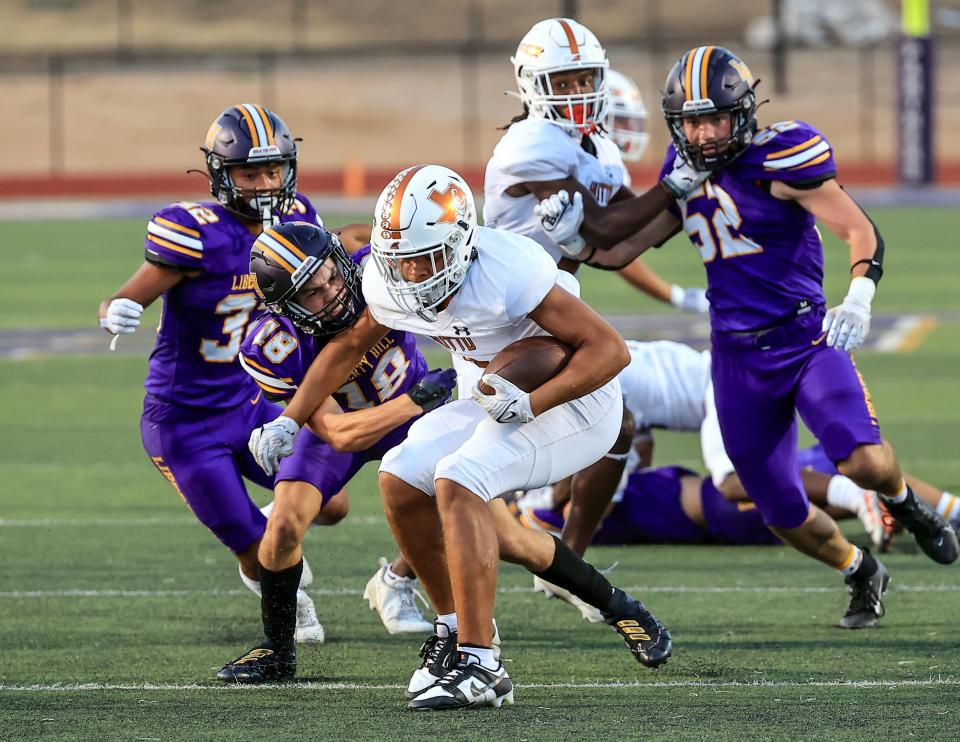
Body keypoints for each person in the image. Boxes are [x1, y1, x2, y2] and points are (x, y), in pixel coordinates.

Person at [533, 46, 959, 629]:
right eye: (693, 122)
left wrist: (860, 292)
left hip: (805, 339)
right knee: (777, 508)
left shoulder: (782, 155)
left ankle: (905, 501)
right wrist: (576, 244)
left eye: (716, 119)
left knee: (861, 460)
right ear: (677, 124)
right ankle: (859, 568)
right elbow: (624, 248)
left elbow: (857, 226)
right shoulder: (681, 174)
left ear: (745, 111)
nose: (706, 135)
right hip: (735, 360)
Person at [247, 165, 672, 711]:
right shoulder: (385, 278)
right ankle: (454, 631)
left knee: (459, 479)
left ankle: (481, 665)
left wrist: (533, 401)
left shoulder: (507, 269)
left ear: (458, 241)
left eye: (421, 257)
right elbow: (352, 345)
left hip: (576, 404)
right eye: (398, 259)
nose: (410, 272)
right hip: (494, 398)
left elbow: (610, 352)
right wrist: (291, 418)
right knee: (399, 475)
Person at [97, 104, 334, 643]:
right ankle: (279, 582)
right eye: (250, 173)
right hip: (184, 423)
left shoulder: (299, 218)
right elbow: (124, 296)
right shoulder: (195, 232)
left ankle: (278, 534)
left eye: (274, 170)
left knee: (333, 502)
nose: (266, 184)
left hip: (250, 402)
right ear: (222, 176)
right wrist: (116, 310)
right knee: (259, 549)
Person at [216, 223, 453, 683]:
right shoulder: (271, 346)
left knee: (472, 507)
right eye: (310, 292)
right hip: (374, 415)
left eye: (330, 277)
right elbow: (340, 434)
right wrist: (418, 400)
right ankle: (278, 650)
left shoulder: (371, 273)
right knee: (283, 524)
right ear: (285, 304)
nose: (330, 293)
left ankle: (401, 585)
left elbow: (377, 239)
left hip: (412, 405)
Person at [482, 18, 707, 333]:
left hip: (552, 305)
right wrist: (672, 186)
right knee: (608, 354)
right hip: (501, 307)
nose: (577, 93)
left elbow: (636, 230)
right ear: (532, 85)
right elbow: (603, 228)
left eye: (585, 80)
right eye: (562, 84)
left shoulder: (600, 146)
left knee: (609, 363)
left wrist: (696, 189)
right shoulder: (531, 141)